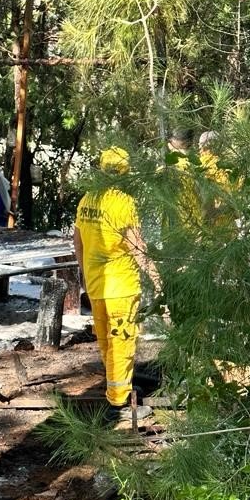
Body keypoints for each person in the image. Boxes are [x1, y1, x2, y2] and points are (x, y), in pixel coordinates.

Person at [74, 147, 164, 423]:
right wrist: (158, 280)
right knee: (122, 343)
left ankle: (120, 388)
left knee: (106, 341)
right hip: (121, 287)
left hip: (97, 285)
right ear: (125, 173)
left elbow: (77, 242)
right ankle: (118, 405)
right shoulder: (124, 203)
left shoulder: (87, 200)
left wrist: (86, 273)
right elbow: (137, 247)